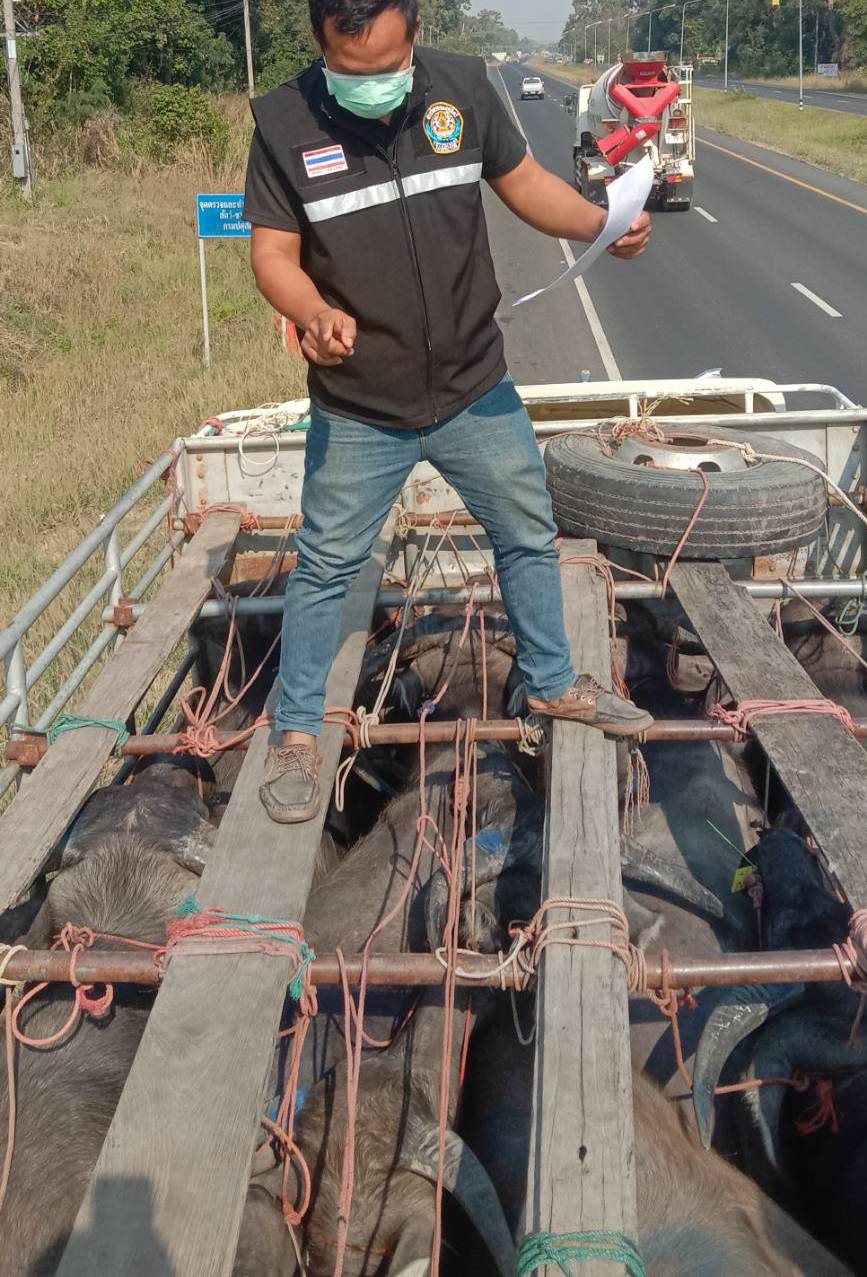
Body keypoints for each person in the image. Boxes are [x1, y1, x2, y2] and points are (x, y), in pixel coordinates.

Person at [243, 0, 654, 824]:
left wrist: (601, 224)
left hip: (473, 386)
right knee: (324, 567)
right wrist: (311, 311)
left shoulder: (461, 90)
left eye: (385, 67)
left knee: (527, 534)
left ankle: (552, 684)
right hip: (360, 403)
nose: (369, 84)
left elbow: (525, 184)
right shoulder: (284, 123)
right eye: (349, 70)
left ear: (416, 31)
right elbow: (272, 253)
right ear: (320, 41)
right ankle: (297, 732)